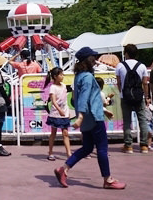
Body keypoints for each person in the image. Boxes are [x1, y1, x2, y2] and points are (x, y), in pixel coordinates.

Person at [53, 47, 126, 190]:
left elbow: (81, 98)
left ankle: (64, 169)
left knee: (87, 148)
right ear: (86, 59)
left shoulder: (79, 76)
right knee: (102, 149)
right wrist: (80, 116)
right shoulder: (87, 77)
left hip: (88, 117)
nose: (95, 59)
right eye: (92, 57)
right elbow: (85, 98)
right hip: (93, 117)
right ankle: (108, 179)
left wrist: (89, 114)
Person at [115, 43, 150, 154]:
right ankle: (144, 145)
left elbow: (119, 82)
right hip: (139, 96)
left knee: (127, 121)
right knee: (142, 120)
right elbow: (145, 83)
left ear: (126, 53)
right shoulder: (142, 66)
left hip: (125, 96)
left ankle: (128, 145)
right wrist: (147, 96)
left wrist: (122, 92)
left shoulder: (120, 66)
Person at [45, 67, 71, 161]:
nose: (62, 76)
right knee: (54, 133)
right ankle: (50, 152)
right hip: (55, 114)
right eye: (60, 75)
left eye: (62, 74)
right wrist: (59, 110)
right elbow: (53, 101)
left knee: (65, 133)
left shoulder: (63, 86)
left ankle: (69, 153)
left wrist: (66, 111)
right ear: (55, 76)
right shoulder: (53, 87)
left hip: (64, 113)